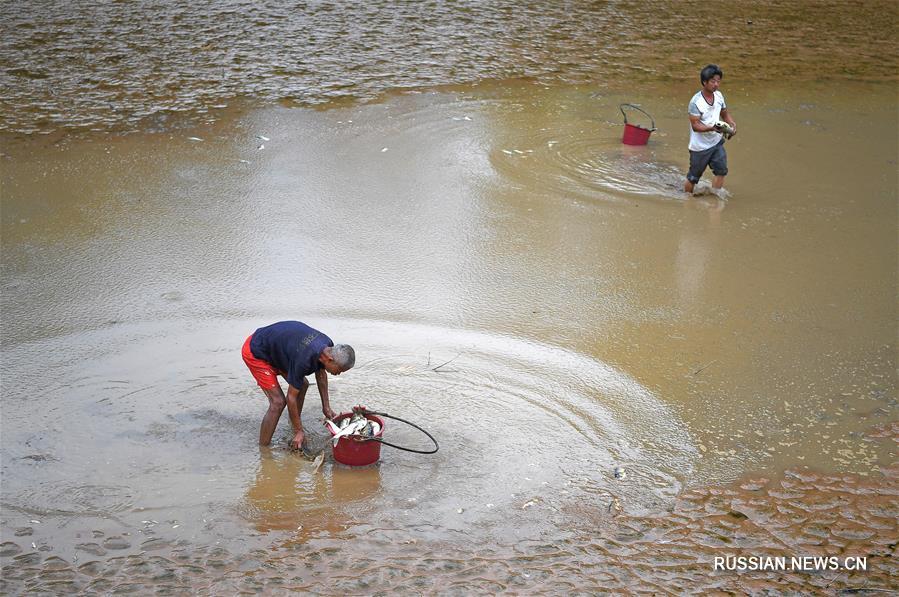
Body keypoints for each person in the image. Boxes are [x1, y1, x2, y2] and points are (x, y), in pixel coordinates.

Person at [242, 321, 355, 450]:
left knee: (302, 385)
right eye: (339, 370)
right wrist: (299, 431)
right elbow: (291, 397)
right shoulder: (304, 359)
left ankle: (294, 424)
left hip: (281, 349)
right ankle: (264, 450)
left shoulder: (327, 345)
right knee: (278, 402)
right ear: (330, 360)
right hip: (256, 350)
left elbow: (321, 374)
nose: (338, 373)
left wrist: (326, 407)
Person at [684, 64, 737, 194]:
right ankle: (686, 199)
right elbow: (695, 126)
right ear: (704, 82)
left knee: (721, 171)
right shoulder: (696, 102)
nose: (716, 84)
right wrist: (712, 128)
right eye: (713, 81)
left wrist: (732, 125)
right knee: (693, 177)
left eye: (718, 81)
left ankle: (715, 197)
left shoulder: (719, 96)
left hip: (716, 142)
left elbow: (724, 114)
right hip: (700, 147)